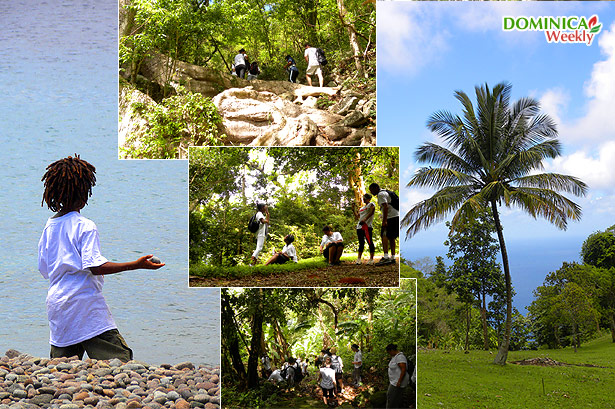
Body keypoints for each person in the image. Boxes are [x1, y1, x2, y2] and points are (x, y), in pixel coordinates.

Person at [38, 155, 165, 361]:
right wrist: (136, 264)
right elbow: (95, 267)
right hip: (85, 304)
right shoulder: (85, 225)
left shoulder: (49, 227)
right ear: (85, 193)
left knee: (61, 367)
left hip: (57, 306)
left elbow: (44, 269)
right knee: (120, 359)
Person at [368, 183, 399, 265]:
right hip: (396, 216)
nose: (371, 192)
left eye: (371, 190)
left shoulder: (380, 194)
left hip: (390, 217)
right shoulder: (386, 192)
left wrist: (384, 220)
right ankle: (393, 257)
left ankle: (386, 257)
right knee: (392, 237)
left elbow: (385, 206)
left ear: (376, 188)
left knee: (384, 235)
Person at [385, 344, 410, 409]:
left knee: (391, 397)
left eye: (389, 352)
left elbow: (403, 369)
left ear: (392, 350)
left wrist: (399, 381)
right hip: (394, 381)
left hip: (397, 382)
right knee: (393, 398)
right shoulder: (395, 357)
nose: (389, 354)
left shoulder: (400, 357)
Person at [355, 194, 376, 265]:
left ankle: (371, 259)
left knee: (369, 242)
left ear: (369, 199)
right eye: (363, 198)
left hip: (367, 226)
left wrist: (365, 219)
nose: (364, 199)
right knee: (361, 243)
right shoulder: (361, 208)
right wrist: (353, 209)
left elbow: (372, 211)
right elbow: (357, 216)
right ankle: (358, 259)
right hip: (359, 227)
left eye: (365, 198)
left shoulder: (371, 204)